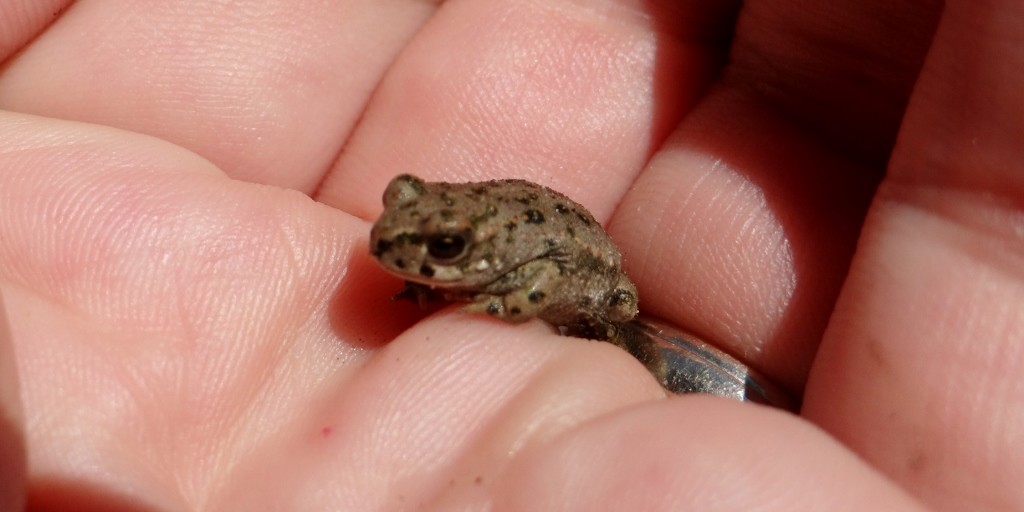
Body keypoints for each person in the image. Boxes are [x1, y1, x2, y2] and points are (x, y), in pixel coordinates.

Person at [0, 1, 1019, 509]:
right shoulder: (431, 235)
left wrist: (494, 307)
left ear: (466, 251)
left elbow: (549, 277)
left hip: (594, 277)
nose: (400, 245)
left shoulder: (517, 269)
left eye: (431, 246)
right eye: (410, 224)